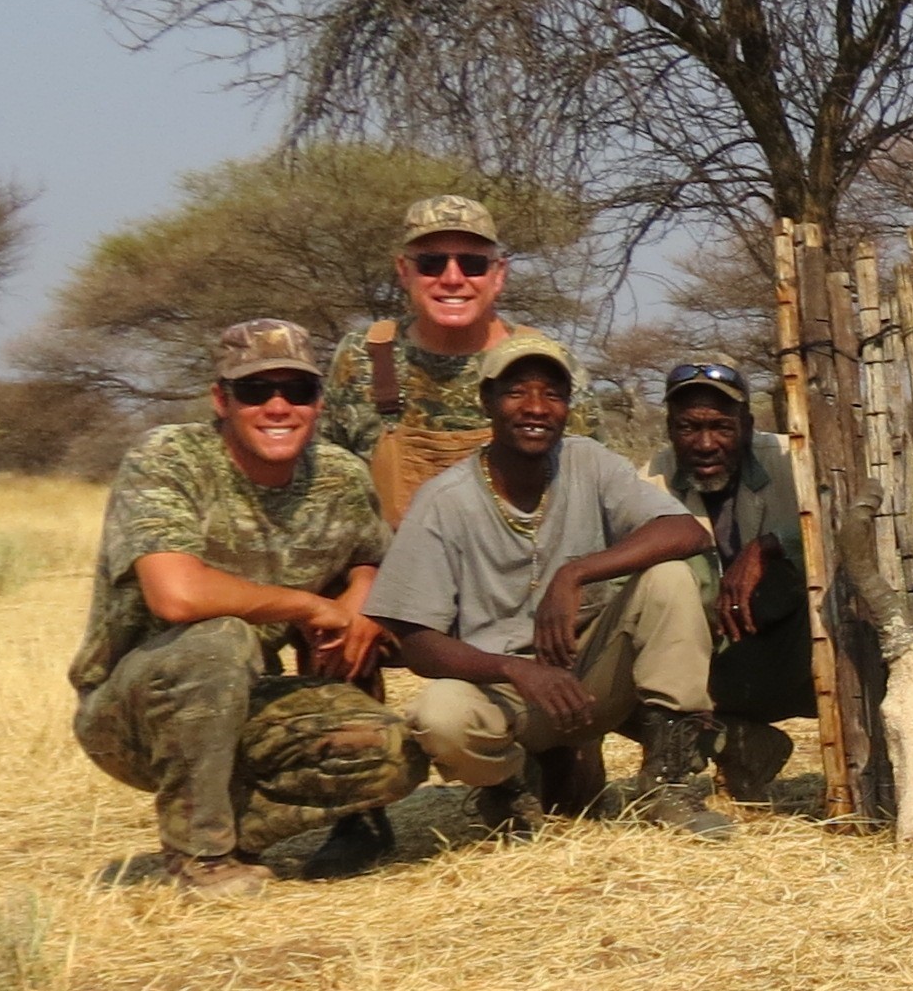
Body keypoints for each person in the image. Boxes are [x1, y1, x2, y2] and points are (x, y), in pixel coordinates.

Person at [70, 320, 423, 898]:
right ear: (221, 400)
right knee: (219, 638)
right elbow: (176, 594)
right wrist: (311, 607)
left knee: (392, 753)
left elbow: (370, 556)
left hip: (247, 699)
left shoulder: (338, 475)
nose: (278, 407)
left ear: (318, 402)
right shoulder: (166, 460)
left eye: (298, 391)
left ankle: (229, 830)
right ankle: (200, 859)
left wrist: (360, 601)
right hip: (134, 711)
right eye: (256, 391)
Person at [364, 330, 734, 837]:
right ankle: (509, 783)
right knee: (438, 716)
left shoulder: (588, 461)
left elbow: (686, 531)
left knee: (669, 577)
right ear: (487, 401)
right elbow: (418, 644)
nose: (536, 407)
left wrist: (575, 572)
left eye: (553, 394)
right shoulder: (443, 500)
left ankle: (670, 780)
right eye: (517, 392)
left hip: (591, 678)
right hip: (506, 693)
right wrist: (514, 669)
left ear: (567, 406)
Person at [647, 355, 813, 802]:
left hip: (792, 651)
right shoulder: (650, 480)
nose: (704, 443)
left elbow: (845, 523)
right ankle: (727, 741)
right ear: (669, 427)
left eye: (721, 427)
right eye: (687, 427)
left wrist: (770, 546)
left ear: (747, 423)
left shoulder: (789, 459)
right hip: (704, 665)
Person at [323, 193, 519, 523]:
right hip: (390, 571)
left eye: (472, 264)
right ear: (403, 271)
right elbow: (326, 486)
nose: (453, 279)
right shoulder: (362, 357)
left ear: (498, 274)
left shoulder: (543, 361)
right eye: (432, 263)